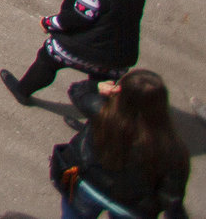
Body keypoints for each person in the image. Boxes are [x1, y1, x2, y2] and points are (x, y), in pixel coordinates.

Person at [2, 0, 145, 109]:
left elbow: (76, 18)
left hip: (87, 50)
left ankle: (22, 91)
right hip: (120, 56)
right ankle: (101, 118)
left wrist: (48, 23)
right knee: (103, 85)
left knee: (48, 57)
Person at [53, 69, 189, 219]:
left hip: (86, 182)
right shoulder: (172, 148)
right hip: (130, 205)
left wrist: (97, 86)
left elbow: (77, 91)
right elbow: (171, 195)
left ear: (120, 93)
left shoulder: (101, 110)